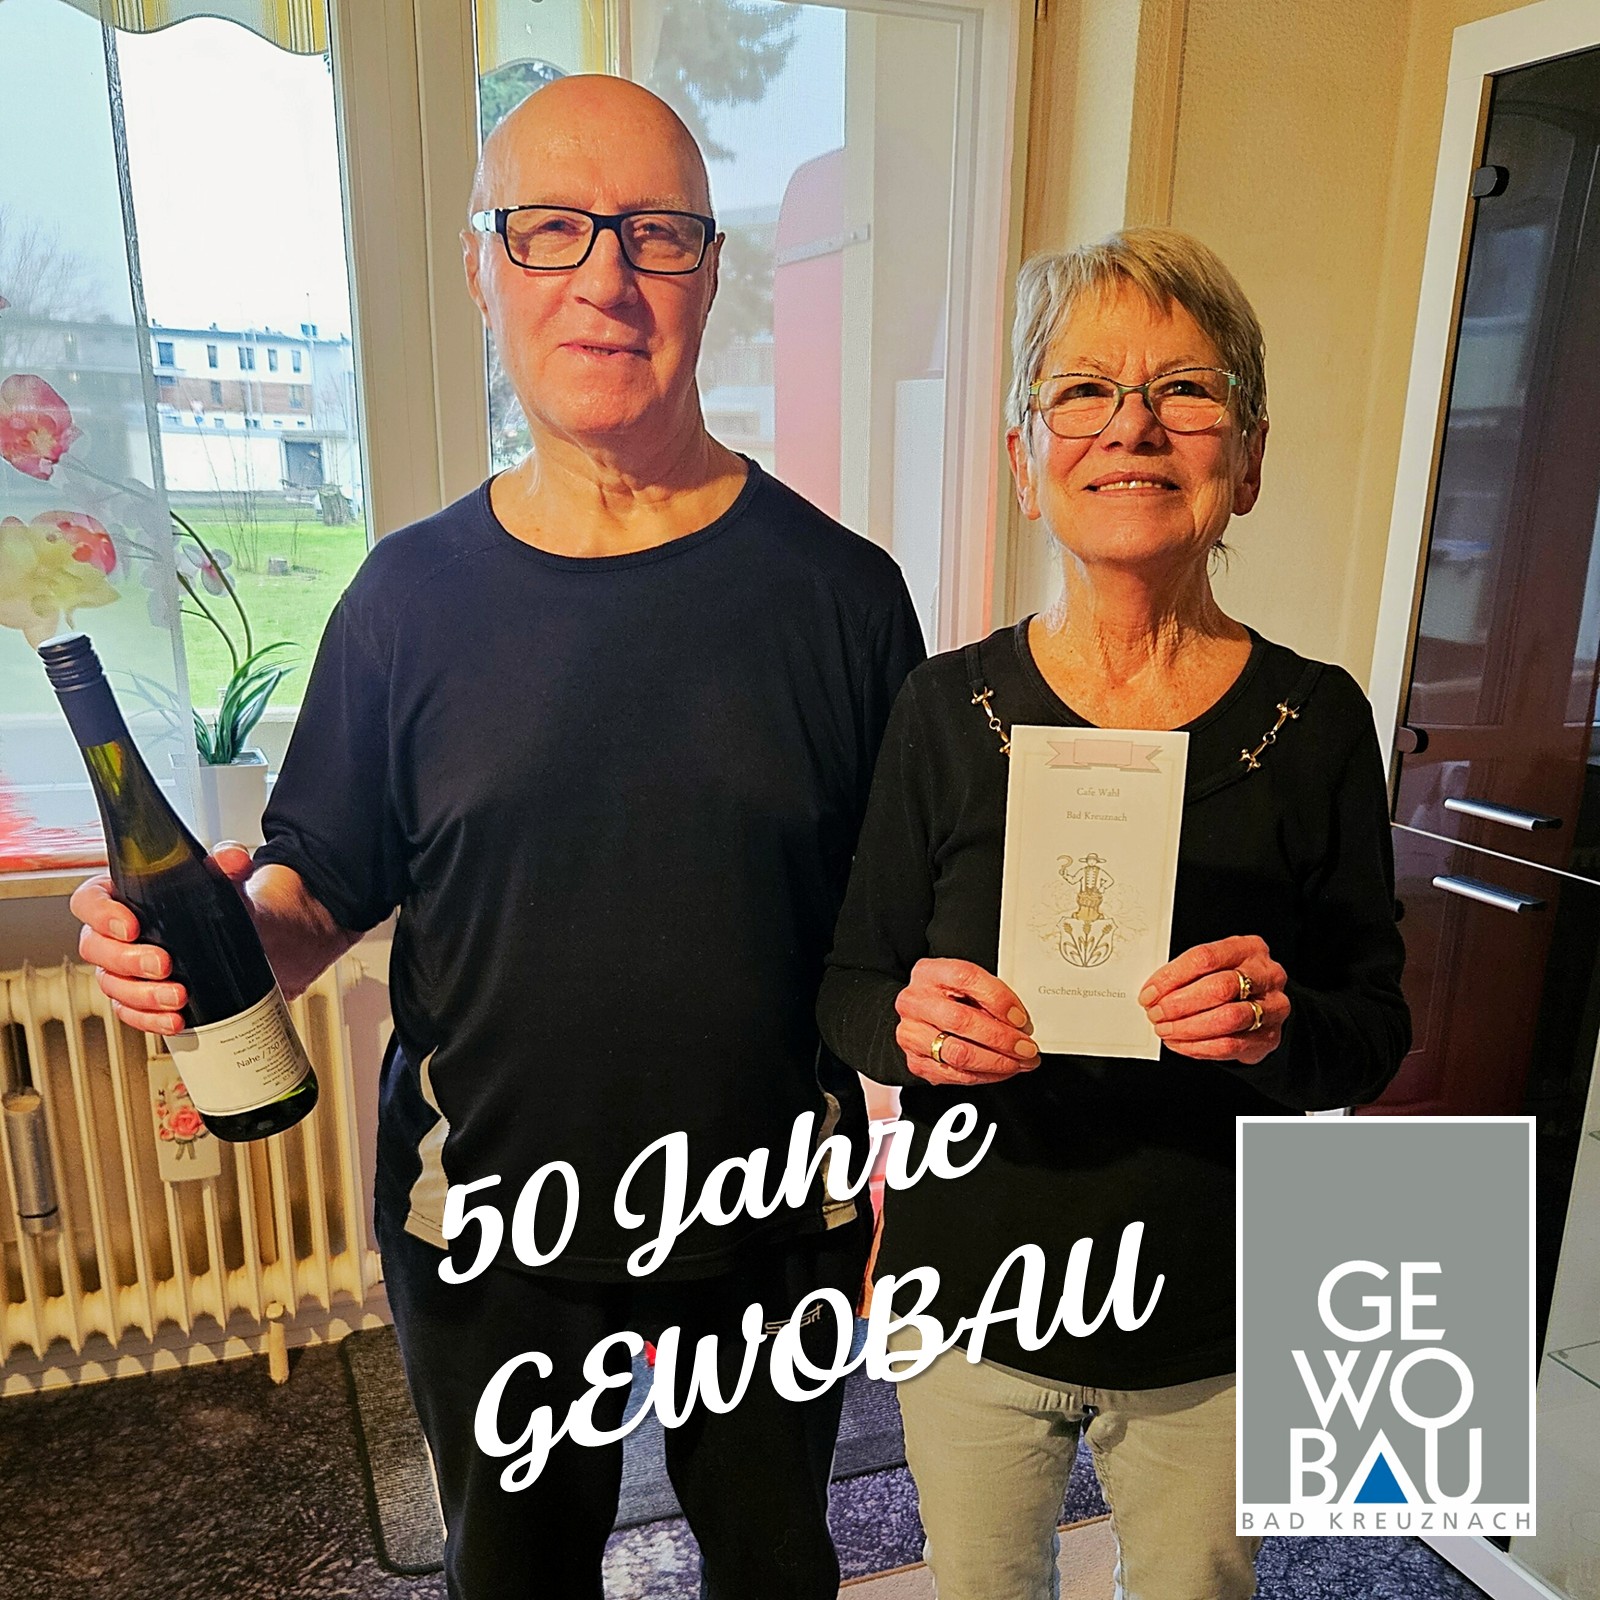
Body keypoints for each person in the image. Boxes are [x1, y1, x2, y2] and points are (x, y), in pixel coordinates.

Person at [70, 75, 923, 1600]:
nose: (605, 277)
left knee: (777, 1568)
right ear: (482, 270)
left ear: (710, 273)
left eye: (655, 233)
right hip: (485, 1228)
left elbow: (897, 943)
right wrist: (210, 944)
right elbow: (313, 896)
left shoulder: (846, 600)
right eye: (549, 230)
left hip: (767, 1224)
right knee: (514, 1579)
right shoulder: (404, 603)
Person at [817, 227, 1409, 1600]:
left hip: (1215, 1312)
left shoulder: (1316, 722)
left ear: (1246, 458)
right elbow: (848, 985)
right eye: (1082, 391)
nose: (1131, 426)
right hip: (973, 1297)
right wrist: (911, 1028)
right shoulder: (944, 709)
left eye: (1184, 390)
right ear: (1026, 462)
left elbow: (1375, 1028)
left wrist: (1277, 1028)